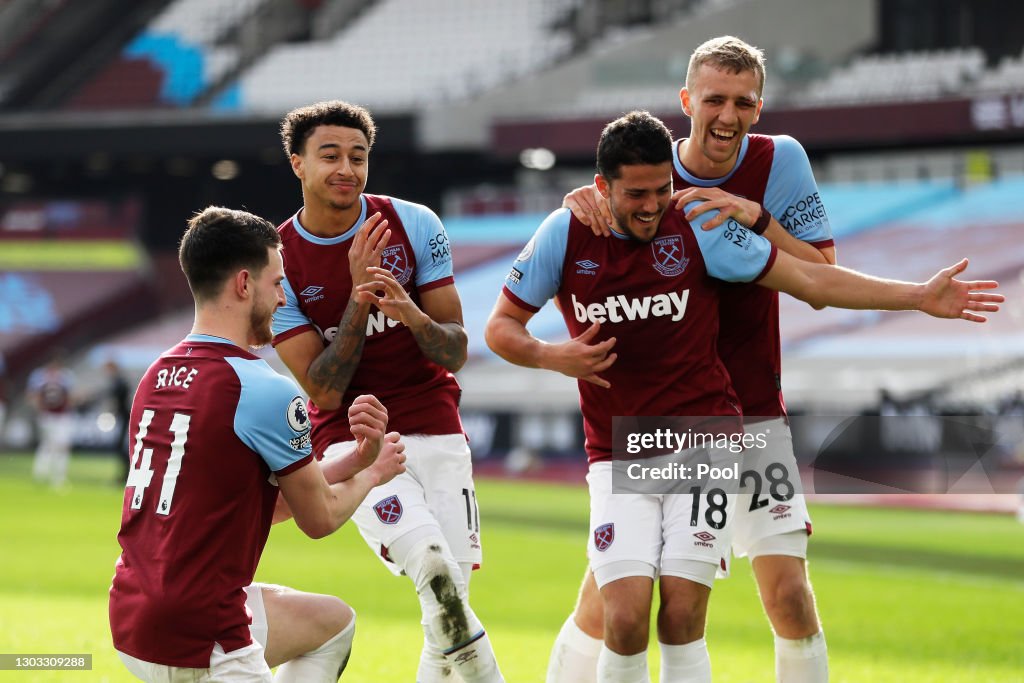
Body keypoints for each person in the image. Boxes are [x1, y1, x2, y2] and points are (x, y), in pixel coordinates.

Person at [484, 110, 1001, 683]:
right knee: (622, 614)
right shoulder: (565, 231)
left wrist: (916, 296)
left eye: (664, 189)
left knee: (686, 614)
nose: (654, 205)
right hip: (620, 450)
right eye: (636, 193)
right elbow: (501, 327)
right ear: (602, 187)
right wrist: (550, 355)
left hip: (710, 440)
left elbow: (812, 280)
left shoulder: (701, 224)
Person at [554, 35, 836, 683]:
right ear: (687, 101)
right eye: (715, 99)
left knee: (788, 594)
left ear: (759, 107)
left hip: (755, 410)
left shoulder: (780, 161)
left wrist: (759, 220)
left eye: (743, 101)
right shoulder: (653, 175)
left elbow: (822, 272)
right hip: (663, 423)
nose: (728, 115)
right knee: (611, 606)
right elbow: (599, 219)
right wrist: (580, 200)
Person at [108, 206, 407, 683]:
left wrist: (355, 458)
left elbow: (254, 503)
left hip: (133, 611)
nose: (284, 296)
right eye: (277, 283)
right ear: (244, 285)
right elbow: (319, 517)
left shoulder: (156, 375)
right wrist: (374, 473)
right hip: (201, 630)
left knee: (333, 623)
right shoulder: (262, 387)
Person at [270, 100, 504, 682]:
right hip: (354, 444)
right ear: (298, 164)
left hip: (438, 426)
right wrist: (357, 299)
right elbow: (321, 391)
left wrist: (410, 313)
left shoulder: (416, 223)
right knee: (431, 567)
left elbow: (454, 349)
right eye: (330, 155)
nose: (346, 167)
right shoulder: (276, 258)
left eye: (358, 155)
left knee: (448, 607)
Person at [28, 352, 76, 488]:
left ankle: (56, 476)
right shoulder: (39, 376)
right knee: (50, 445)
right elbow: (33, 395)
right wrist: (40, 410)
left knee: (59, 445)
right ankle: (44, 475)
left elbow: (69, 396)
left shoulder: (66, 376)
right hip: (48, 415)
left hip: (62, 415)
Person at [103, 359, 132, 483]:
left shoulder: (119, 382)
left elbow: (118, 397)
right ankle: (125, 475)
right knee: (121, 447)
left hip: (124, 417)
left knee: (121, 447)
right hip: (122, 416)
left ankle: (126, 475)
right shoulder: (118, 381)